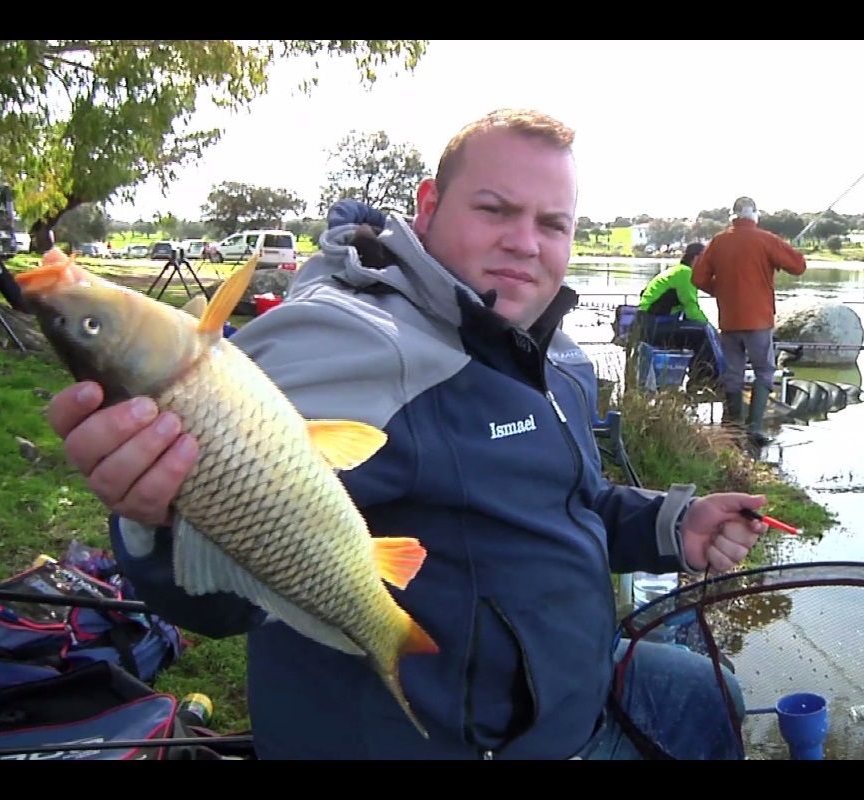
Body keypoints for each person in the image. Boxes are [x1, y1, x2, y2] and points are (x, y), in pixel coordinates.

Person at [43, 108, 771, 760]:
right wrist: (156, 522)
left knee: (710, 693)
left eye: (553, 224)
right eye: (494, 209)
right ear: (428, 206)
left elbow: (562, 504)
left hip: (576, 690)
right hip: (465, 740)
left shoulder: (550, 347)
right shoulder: (346, 337)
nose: (525, 243)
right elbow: (220, 598)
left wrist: (674, 525)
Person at [690, 196, 808, 446]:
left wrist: (720, 291)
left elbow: (698, 278)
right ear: (755, 215)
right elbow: (798, 267)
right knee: (764, 370)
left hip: (729, 321)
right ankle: (754, 429)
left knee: (733, 373)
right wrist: (789, 250)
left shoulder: (718, 242)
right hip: (758, 321)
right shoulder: (767, 240)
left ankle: (732, 429)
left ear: (731, 216)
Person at [634, 242, 725, 390]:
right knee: (703, 331)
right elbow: (692, 309)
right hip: (653, 326)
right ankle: (710, 379)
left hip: (647, 325)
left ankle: (700, 376)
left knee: (697, 332)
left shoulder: (676, 271)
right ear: (696, 259)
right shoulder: (685, 274)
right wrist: (714, 330)